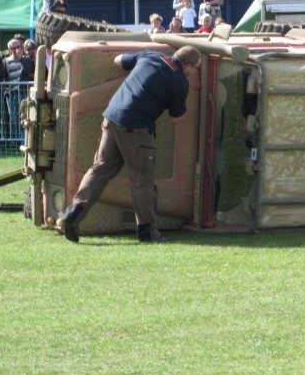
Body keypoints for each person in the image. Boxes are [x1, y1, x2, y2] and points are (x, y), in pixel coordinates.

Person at [59, 46, 201, 244]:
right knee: (142, 181)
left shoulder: (151, 55)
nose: (194, 72)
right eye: (195, 68)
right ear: (187, 66)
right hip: (137, 129)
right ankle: (147, 232)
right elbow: (177, 118)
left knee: (100, 169)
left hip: (112, 117)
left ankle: (72, 214)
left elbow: (118, 60)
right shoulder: (179, 81)